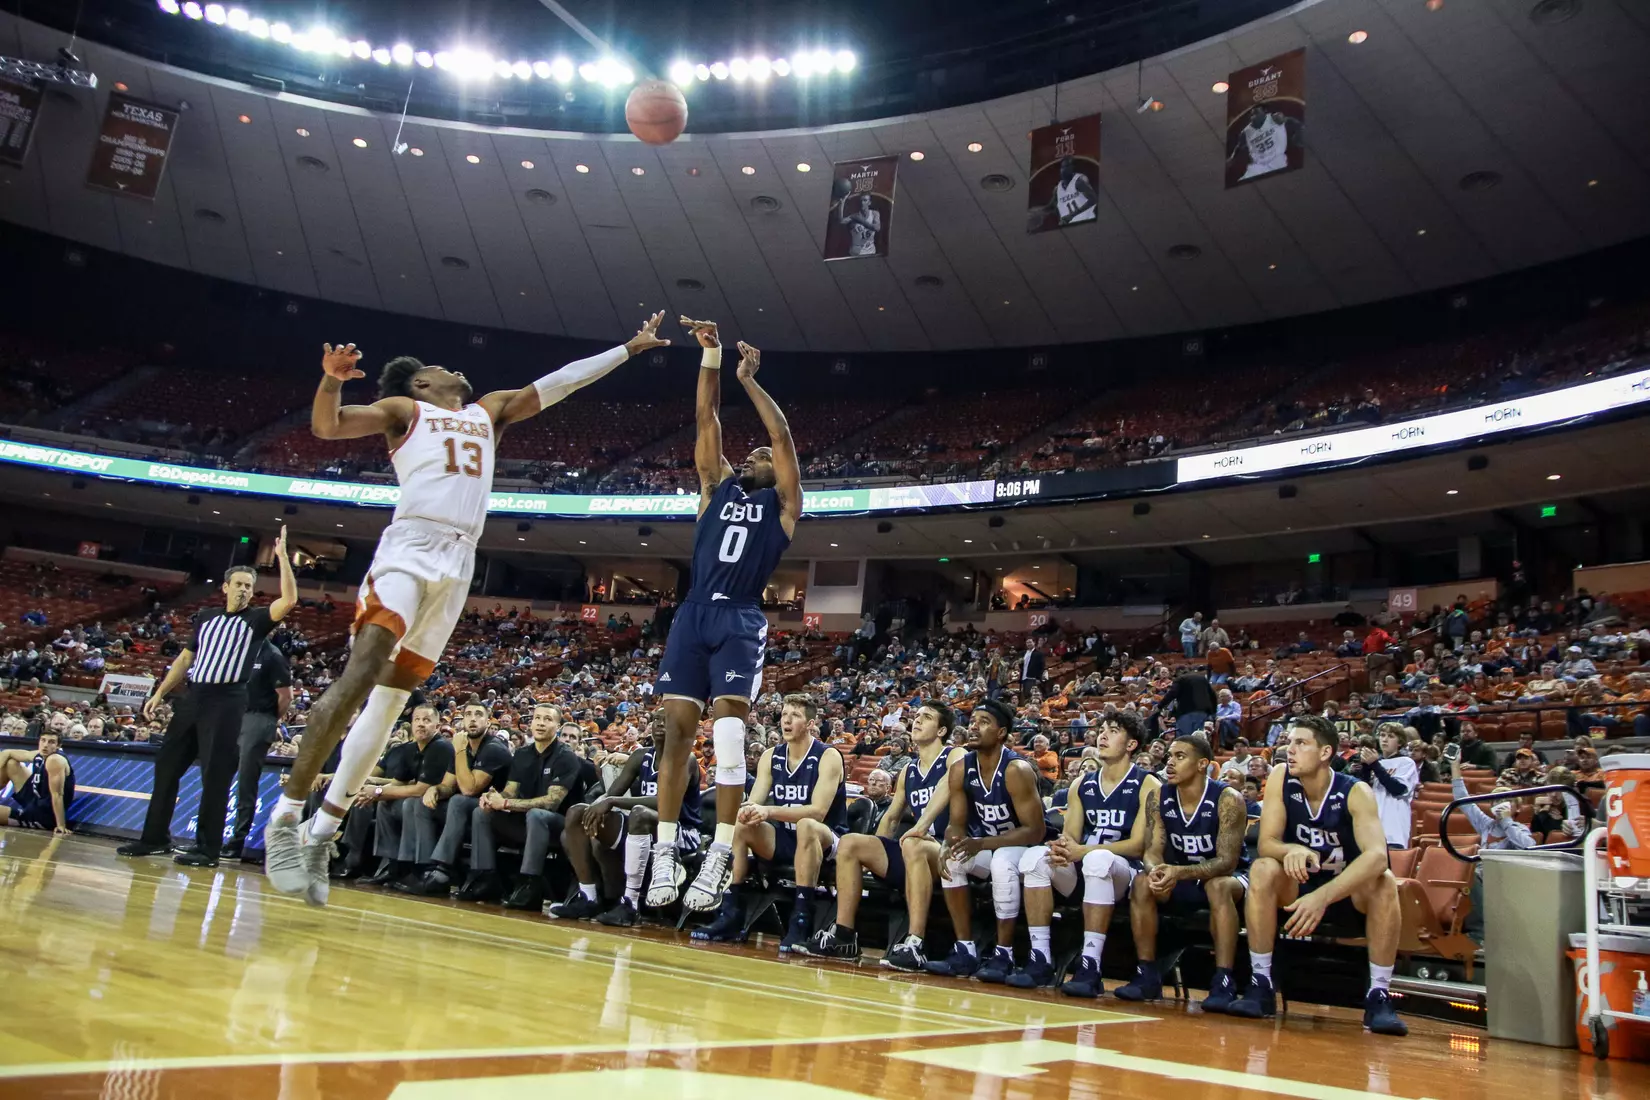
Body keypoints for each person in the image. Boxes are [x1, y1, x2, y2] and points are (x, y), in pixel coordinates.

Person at [264, 316, 668, 905]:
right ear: (421, 386)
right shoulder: (406, 410)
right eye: (439, 367)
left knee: (388, 705)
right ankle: (285, 817)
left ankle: (321, 834)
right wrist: (331, 382)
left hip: (458, 564)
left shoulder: (490, 411)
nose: (455, 368)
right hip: (410, 548)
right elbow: (328, 427)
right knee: (360, 677)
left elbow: (561, 383)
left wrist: (628, 350)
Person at [644, 322, 802, 914]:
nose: (757, 454)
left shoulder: (784, 507)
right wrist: (710, 355)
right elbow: (706, 420)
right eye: (752, 452)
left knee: (729, 733)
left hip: (739, 621)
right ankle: (666, 851)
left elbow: (782, 437)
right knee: (677, 734)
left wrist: (750, 381)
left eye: (761, 456)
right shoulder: (714, 490)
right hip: (692, 615)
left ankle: (718, 851)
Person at [121, 535, 296, 867]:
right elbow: (185, 660)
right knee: (167, 766)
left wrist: (284, 557)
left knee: (215, 775)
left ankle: (208, 849)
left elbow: (288, 599)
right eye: (239, 584)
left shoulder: (257, 619)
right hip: (193, 697)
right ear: (226, 587)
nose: (245, 589)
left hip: (228, 700)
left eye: (250, 585)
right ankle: (154, 838)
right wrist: (159, 692)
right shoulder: (205, 617)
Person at [1228, 715, 1407, 1036]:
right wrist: (1291, 850)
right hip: (1298, 891)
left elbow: (1378, 857)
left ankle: (1379, 995)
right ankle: (1261, 983)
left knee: (1384, 882)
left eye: (1300, 743)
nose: (1289, 750)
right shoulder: (1282, 777)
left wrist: (1322, 897)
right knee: (1263, 868)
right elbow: (1267, 843)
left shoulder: (1356, 791)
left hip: (1345, 895)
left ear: (1325, 753)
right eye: (1289, 742)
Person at [802, 701, 961, 968]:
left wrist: (921, 826)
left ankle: (915, 943)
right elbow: (891, 817)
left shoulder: (954, 756)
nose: (918, 720)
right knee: (852, 843)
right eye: (918, 715)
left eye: (927, 717)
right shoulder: (909, 770)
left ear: (942, 730)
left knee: (914, 843)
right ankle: (843, 934)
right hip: (915, 849)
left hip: (947, 850)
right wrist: (875, 850)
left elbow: (950, 782)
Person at [1014, 711, 1159, 994]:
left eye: (1113, 731)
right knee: (1034, 859)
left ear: (1131, 745)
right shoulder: (1081, 784)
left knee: (1097, 858)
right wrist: (1059, 848)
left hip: (1125, 873)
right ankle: (1040, 959)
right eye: (1102, 729)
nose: (1102, 736)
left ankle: (1091, 965)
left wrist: (1083, 851)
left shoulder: (1148, 784)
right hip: (1086, 868)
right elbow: (1070, 837)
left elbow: (1140, 844)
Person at [692, 695, 847, 950]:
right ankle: (731, 911)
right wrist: (747, 811)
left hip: (827, 841)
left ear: (810, 723)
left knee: (807, 825)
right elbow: (755, 805)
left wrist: (769, 811)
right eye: (784, 714)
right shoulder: (770, 756)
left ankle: (800, 919)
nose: (786, 720)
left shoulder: (828, 756)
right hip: (786, 839)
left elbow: (818, 812)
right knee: (744, 822)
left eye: (795, 715)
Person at [1113, 734, 1248, 1010]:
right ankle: (1147, 974)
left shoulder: (1227, 798)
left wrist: (1178, 872)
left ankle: (1224, 979)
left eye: (1180, 757)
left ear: (1203, 765)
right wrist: (1154, 871)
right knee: (1141, 882)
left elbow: (1226, 862)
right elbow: (1152, 850)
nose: (1170, 763)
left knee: (1218, 886)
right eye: (1169, 757)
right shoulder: (1159, 796)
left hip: (1224, 878)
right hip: (1181, 876)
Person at [921, 698, 1048, 980]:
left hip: (1026, 851)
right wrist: (949, 842)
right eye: (972, 721)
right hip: (989, 845)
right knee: (954, 859)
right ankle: (965, 950)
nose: (974, 727)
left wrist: (981, 844)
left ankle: (1005, 953)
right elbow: (956, 824)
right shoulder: (960, 768)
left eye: (984, 722)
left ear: (1001, 733)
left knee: (1003, 860)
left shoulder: (1017, 770)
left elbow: (1035, 831)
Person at [549, 729, 703, 925]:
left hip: (682, 830)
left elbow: (667, 803)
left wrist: (613, 801)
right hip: (648, 826)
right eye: (656, 719)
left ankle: (631, 904)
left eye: (666, 720)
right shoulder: (641, 756)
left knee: (639, 813)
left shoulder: (686, 759)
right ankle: (588, 897)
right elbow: (612, 793)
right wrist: (601, 803)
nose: (659, 724)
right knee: (577, 812)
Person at [466, 709, 594, 904]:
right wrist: (494, 798)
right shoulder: (523, 753)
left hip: (561, 825)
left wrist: (506, 803)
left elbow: (552, 802)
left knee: (537, 814)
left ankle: (529, 883)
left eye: (547, 719)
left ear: (557, 727)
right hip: (528, 821)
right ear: (531, 724)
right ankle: (484, 877)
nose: (541, 723)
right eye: (537, 718)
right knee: (482, 812)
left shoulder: (566, 756)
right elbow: (511, 791)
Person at [400, 702, 513, 898]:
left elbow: (469, 789)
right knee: (416, 803)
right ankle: (424, 869)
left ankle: (442, 871)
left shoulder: (494, 748)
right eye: (468, 714)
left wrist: (459, 751)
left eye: (478, 715)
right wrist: (435, 790)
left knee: (459, 800)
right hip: (466, 810)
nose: (473, 719)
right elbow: (448, 785)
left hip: (495, 811)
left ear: (488, 721)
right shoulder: (464, 747)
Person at [223, 639, 292, 860]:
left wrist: (270, 720)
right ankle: (210, 838)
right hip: (234, 715)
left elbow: (286, 696)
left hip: (258, 717)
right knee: (217, 777)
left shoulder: (272, 655)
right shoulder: (237, 649)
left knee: (245, 783)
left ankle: (236, 842)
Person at [0, 727, 73, 834]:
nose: (45, 745)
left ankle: (28, 818)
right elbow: (7, 753)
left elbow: (57, 795)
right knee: (11, 763)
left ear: (58, 746)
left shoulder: (55, 760)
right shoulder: (40, 754)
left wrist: (60, 825)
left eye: (51, 742)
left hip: (43, 815)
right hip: (35, 800)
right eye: (43, 740)